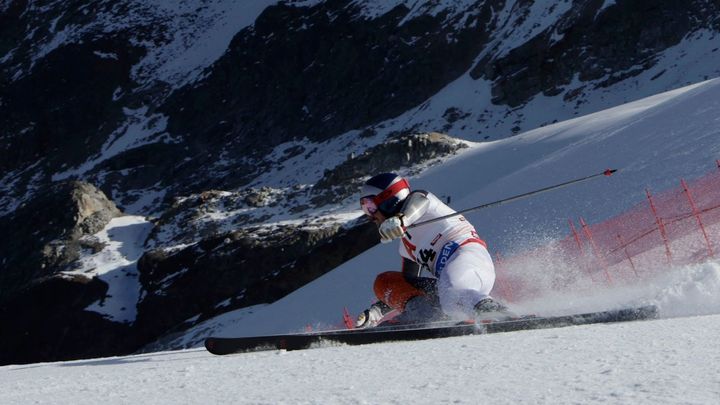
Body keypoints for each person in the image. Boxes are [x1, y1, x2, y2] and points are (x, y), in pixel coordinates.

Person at [355, 172, 512, 328]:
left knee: (451, 294)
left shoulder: (421, 202)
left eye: (370, 206)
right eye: (365, 209)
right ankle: (422, 315)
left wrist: (402, 219)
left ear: (390, 200)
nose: (370, 216)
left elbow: (418, 200)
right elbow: (410, 284)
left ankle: (493, 311)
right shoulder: (406, 246)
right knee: (385, 281)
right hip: (449, 282)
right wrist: (378, 310)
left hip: (469, 258)